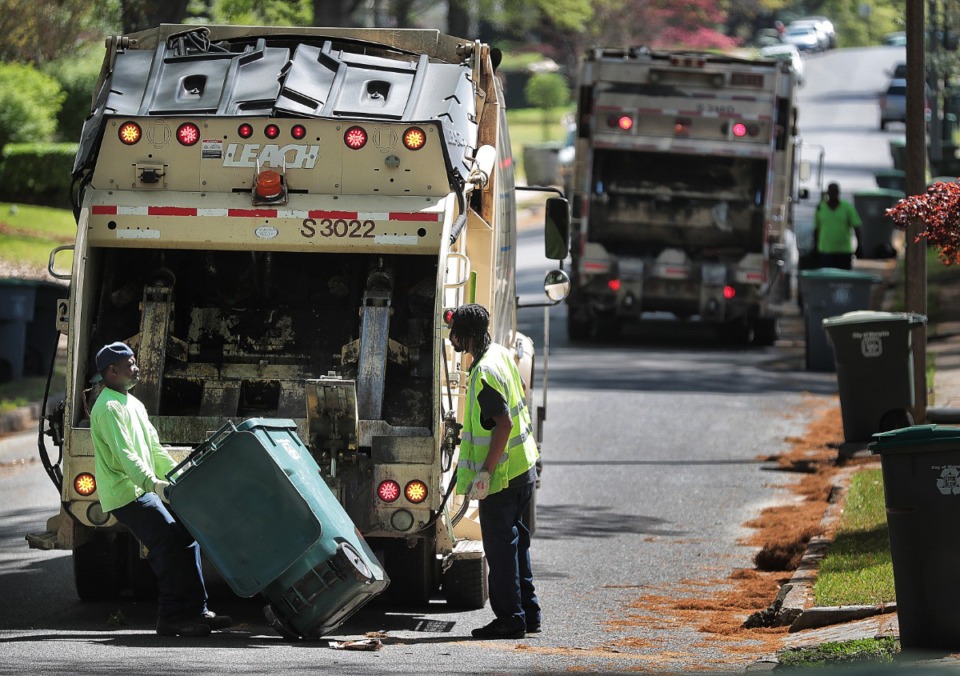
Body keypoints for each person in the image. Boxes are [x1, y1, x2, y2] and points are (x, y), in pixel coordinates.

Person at [90, 341, 232, 638]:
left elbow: (154, 450)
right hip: (126, 493)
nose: (137, 367)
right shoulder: (108, 407)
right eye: (130, 363)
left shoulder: (134, 403)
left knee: (187, 536)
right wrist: (154, 485)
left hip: (142, 489)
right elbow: (126, 456)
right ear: (112, 371)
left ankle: (197, 609)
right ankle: (170, 618)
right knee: (167, 542)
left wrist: (178, 477)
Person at [450, 304, 541, 640]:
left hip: (502, 479)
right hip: (523, 469)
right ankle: (529, 614)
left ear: (466, 334)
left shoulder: (484, 373)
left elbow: (503, 424)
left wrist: (485, 473)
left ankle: (511, 620)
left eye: (455, 332)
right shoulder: (500, 354)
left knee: (501, 552)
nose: (452, 338)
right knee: (516, 544)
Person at [814, 182, 863, 270]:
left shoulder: (847, 208)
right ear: (828, 193)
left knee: (843, 281)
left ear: (838, 193)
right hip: (826, 252)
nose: (833, 194)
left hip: (844, 252)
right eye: (831, 192)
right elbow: (816, 229)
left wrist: (859, 246)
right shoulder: (821, 208)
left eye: (835, 192)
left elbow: (857, 227)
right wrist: (815, 247)